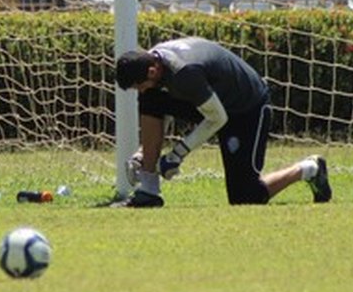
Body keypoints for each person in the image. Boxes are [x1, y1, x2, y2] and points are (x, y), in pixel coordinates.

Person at [113, 36, 331, 208]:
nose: (139, 91)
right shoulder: (153, 64)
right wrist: (144, 153)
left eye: (138, 86)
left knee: (245, 197)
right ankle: (149, 191)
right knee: (151, 99)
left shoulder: (184, 73)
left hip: (245, 109)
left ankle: (310, 169)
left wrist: (177, 154)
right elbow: (162, 106)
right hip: (214, 102)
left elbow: (217, 118)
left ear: (152, 71)